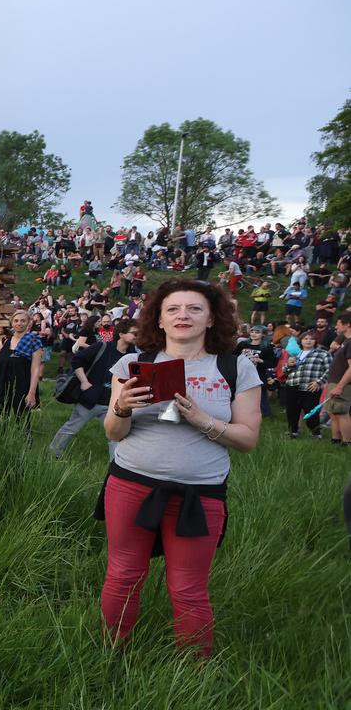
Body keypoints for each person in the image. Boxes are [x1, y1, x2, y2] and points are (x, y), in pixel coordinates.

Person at [98, 279, 260, 656]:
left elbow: (248, 439)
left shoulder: (235, 368)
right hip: (131, 485)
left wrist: (203, 420)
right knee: (123, 574)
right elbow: (114, 432)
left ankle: (193, 673)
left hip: (198, 494)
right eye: (172, 309)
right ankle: (108, 654)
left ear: (210, 319)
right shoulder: (133, 364)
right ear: (159, 319)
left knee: (188, 586)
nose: (182, 315)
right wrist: (122, 406)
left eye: (194, 309)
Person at [51, 318, 136, 458]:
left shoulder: (133, 355)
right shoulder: (102, 347)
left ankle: (115, 465)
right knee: (71, 428)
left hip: (112, 405)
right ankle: (53, 454)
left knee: (114, 437)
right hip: (90, 399)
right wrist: (84, 382)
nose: (137, 336)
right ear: (121, 334)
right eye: (134, 333)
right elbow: (77, 360)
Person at [280, 329, 328, 439]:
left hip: (311, 386)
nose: (308, 341)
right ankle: (293, 431)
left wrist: (319, 382)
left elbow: (329, 370)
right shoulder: (296, 353)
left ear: (315, 341)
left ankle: (316, 433)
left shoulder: (322, 354)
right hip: (292, 384)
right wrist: (289, 365)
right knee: (292, 410)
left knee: (311, 411)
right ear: (301, 341)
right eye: (306, 339)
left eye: (312, 339)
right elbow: (285, 371)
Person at [325, 310, 351, 446]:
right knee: (333, 412)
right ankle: (335, 440)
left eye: (339, 324)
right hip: (334, 381)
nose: (336, 326)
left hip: (343, 384)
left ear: (347, 325)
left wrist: (340, 386)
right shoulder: (344, 341)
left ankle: (347, 442)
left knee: (341, 412)